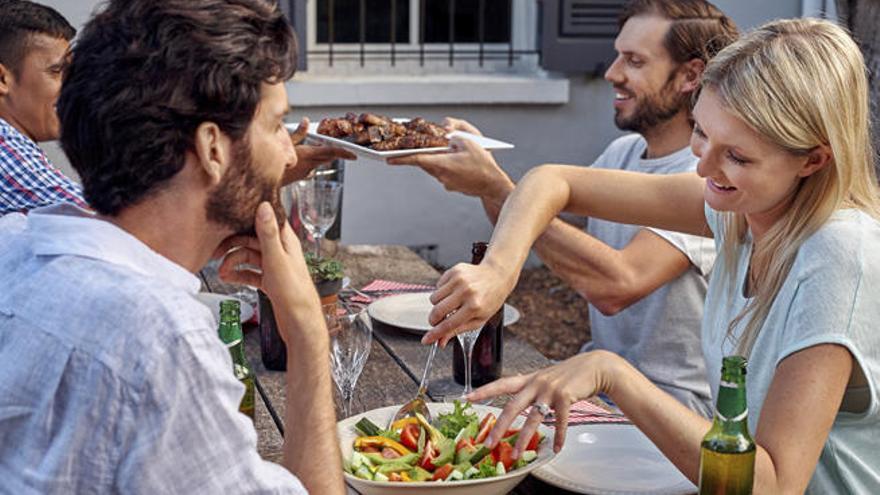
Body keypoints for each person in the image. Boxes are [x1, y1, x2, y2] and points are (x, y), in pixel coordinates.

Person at [427, 18, 880, 493]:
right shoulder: (742, 207)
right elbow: (550, 180)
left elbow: (771, 485)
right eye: (701, 132)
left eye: (738, 157)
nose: (703, 166)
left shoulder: (838, 253)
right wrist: (499, 269)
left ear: (813, 160)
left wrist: (611, 372)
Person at [0, 1, 345, 493]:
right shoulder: (163, 339)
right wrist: (309, 335)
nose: (290, 154)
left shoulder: (13, 244)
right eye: (275, 126)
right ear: (211, 148)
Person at [391, 0, 737, 416]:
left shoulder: (710, 180)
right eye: (617, 56)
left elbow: (616, 284)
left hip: (669, 412)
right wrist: (486, 182)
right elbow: (546, 224)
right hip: (593, 391)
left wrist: (496, 188)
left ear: (690, 75)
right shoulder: (624, 152)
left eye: (634, 61)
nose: (612, 73)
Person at [0, 0, 351, 216]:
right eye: (56, 71)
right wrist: (256, 173)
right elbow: (106, 224)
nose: (70, 85)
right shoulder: (4, 146)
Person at [0, 0, 87, 213]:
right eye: (56, 71)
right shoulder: (6, 151)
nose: (72, 86)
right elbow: (119, 226)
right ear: (2, 79)